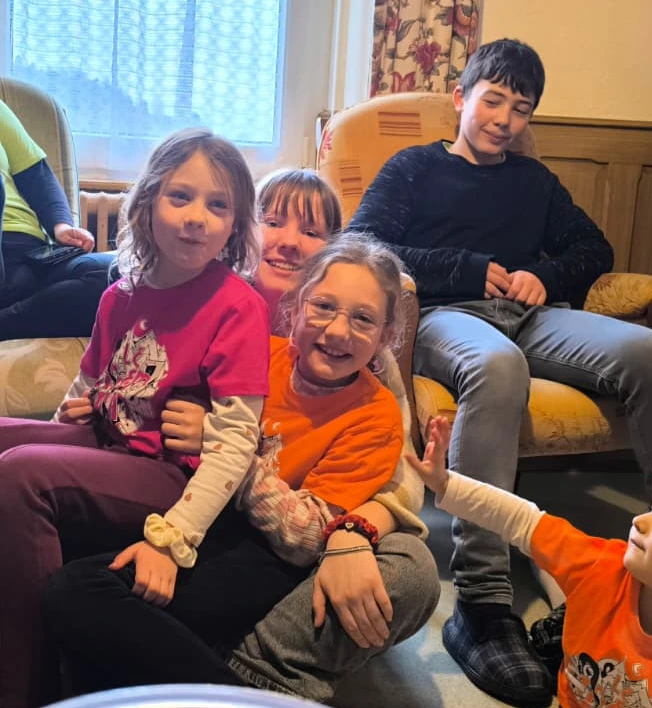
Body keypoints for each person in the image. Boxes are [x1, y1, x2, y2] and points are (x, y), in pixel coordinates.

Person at [347, 37, 652, 708]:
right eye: (493, 101)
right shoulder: (414, 168)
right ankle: (482, 603)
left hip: (532, 314)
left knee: (645, 351)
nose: (505, 120)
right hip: (444, 317)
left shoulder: (534, 182)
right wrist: (463, 268)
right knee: (498, 366)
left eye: (521, 109)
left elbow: (594, 247)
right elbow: (361, 243)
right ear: (460, 98)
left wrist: (545, 274)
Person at [45, 233, 430, 695]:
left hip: (262, 556)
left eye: (363, 319)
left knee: (82, 590)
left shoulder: (376, 414)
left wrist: (225, 447)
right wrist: (104, 408)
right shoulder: (260, 351)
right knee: (79, 588)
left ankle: (239, 695)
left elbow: (308, 538)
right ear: (296, 307)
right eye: (323, 307)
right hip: (193, 513)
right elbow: (162, 411)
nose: (337, 331)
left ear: (386, 336)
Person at [0, 127, 270, 708]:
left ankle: (29, 685)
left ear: (235, 224)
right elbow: (86, 384)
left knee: (21, 473)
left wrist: (175, 539)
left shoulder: (238, 306)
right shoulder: (119, 295)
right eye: (180, 197)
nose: (196, 218)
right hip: (109, 447)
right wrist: (65, 422)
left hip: (171, 477)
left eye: (218, 205)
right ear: (147, 204)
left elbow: (235, 444)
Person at [410, 415, 652, 708]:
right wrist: (445, 483)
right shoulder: (600, 564)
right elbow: (522, 519)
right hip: (588, 599)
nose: (639, 521)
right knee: (564, 605)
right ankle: (552, 578)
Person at [0, 98, 114, 339]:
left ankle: (9, 321)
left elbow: (36, 175)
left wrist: (61, 226)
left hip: (30, 254)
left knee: (112, 277)